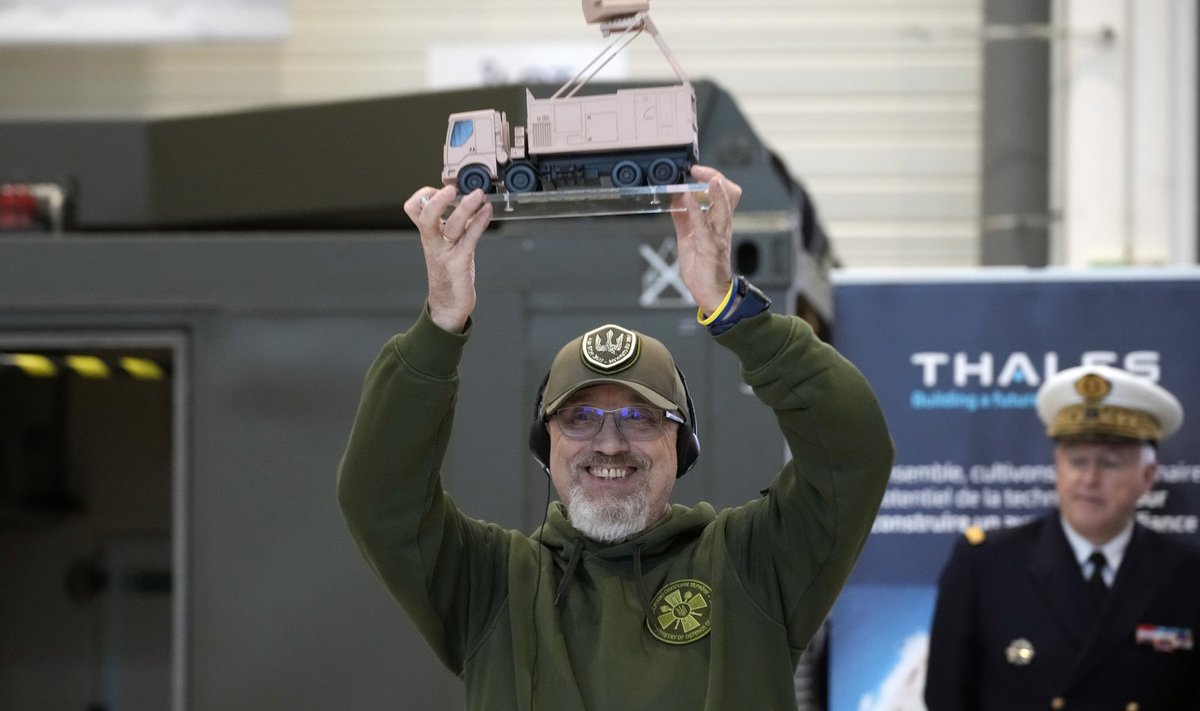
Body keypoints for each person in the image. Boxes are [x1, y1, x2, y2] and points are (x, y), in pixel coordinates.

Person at [337, 166, 894, 711]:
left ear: (681, 444)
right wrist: (440, 325)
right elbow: (380, 495)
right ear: (546, 444)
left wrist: (734, 311)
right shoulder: (492, 588)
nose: (608, 444)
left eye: (639, 417)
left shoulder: (754, 569)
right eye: (579, 419)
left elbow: (853, 451)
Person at [924, 364, 1200, 710]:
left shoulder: (1187, 576)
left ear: (1147, 477)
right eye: (1077, 460)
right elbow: (946, 698)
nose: (1089, 478)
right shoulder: (986, 564)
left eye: (1110, 462)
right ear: (1057, 466)